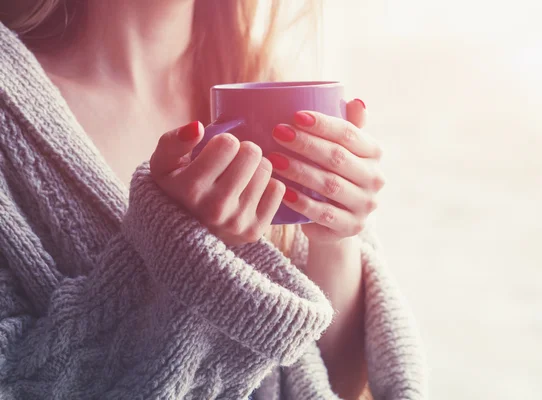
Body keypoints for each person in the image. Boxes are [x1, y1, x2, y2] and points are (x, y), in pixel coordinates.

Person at [0, 1, 425, 399]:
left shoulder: (264, 79)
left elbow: (338, 381)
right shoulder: (11, 109)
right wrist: (185, 254)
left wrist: (334, 234)